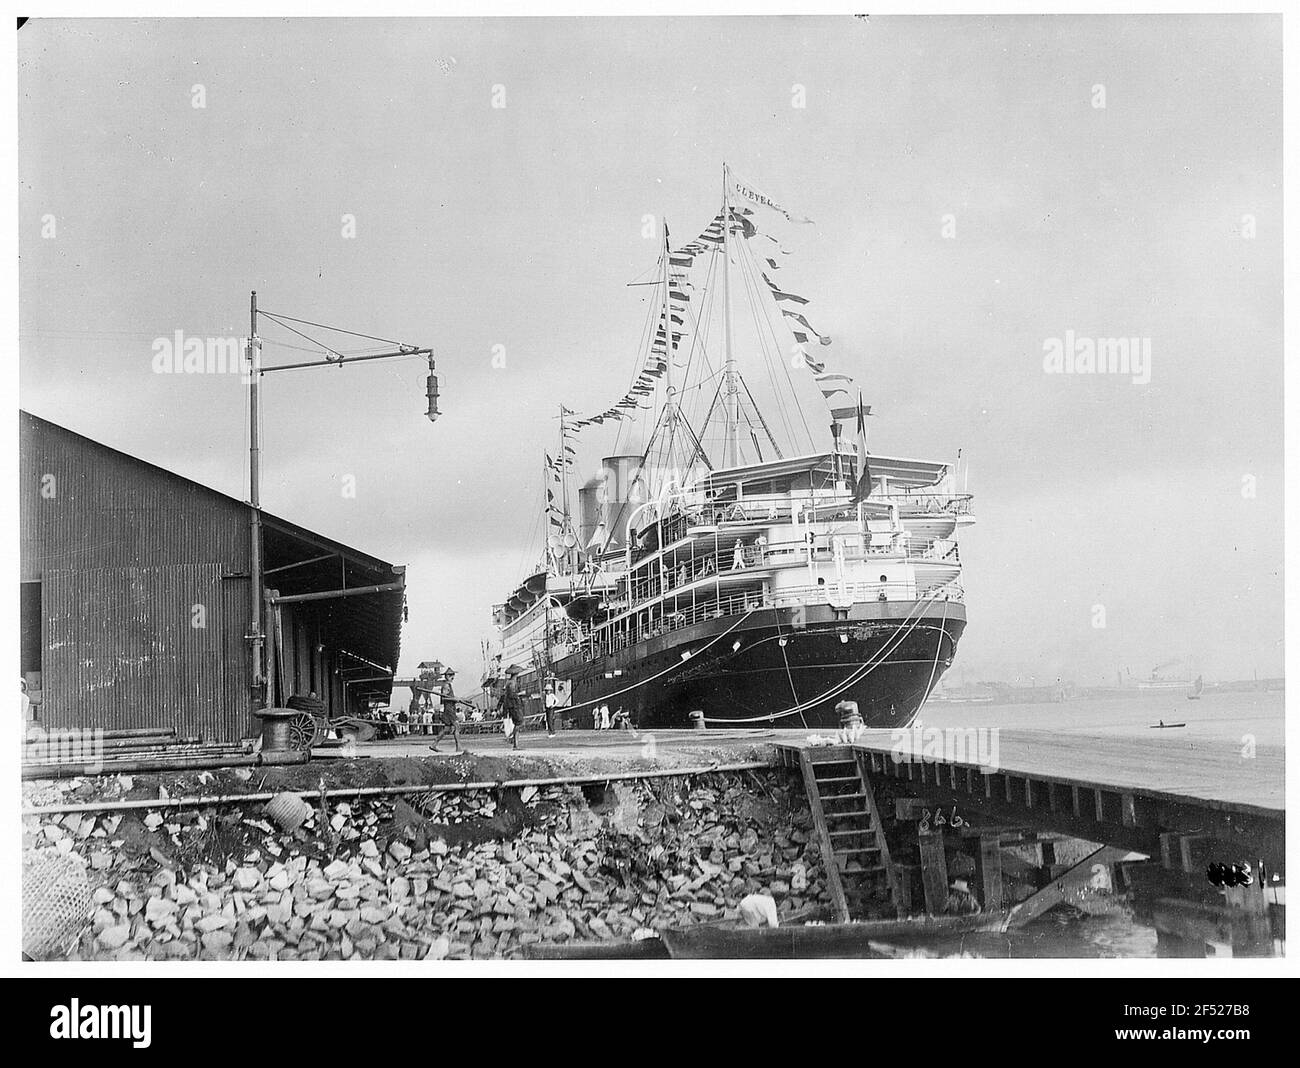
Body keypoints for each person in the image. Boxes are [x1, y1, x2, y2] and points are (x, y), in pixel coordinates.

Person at [429, 668, 461, 753]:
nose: (451, 677)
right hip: (449, 709)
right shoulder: (446, 685)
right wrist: (454, 699)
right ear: (446, 676)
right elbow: (444, 698)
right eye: (449, 675)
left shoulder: (448, 685)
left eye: (452, 675)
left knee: (447, 729)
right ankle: (459, 747)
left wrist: (455, 699)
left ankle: (434, 744)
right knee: (457, 726)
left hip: (451, 709)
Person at [499, 665, 525, 750]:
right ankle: (514, 742)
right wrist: (519, 695)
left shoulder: (508, 682)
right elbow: (512, 694)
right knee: (519, 722)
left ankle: (515, 743)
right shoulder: (512, 683)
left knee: (517, 723)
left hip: (510, 705)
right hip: (514, 705)